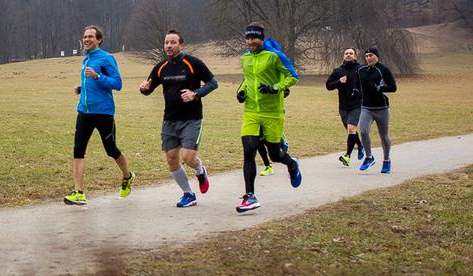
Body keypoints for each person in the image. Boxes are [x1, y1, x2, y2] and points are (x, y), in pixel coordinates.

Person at [138, 29, 218, 208]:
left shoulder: (193, 63)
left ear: (181, 45)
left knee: (188, 157)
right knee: (172, 157)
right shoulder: (160, 67)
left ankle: (200, 170)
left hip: (192, 118)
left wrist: (195, 94)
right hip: (169, 119)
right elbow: (148, 89)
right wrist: (143, 88)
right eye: (166, 42)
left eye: (173, 42)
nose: (169, 46)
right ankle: (188, 194)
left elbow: (213, 83)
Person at [63, 25, 135, 205]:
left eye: (90, 37)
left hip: (103, 113)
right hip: (84, 112)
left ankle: (127, 176)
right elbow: (91, 83)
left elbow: (117, 84)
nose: (86, 39)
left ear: (99, 39)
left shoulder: (106, 58)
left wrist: (97, 77)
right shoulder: (86, 59)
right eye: (85, 36)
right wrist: (82, 88)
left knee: (111, 150)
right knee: (78, 150)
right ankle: (79, 192)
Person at [235, 23, 302, 213]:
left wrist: (275, 88)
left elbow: (293, 76)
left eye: (254, 38)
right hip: (251, 112)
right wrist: (240, 92)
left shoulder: (274, 56)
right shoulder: (245, 58)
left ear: (261, 38)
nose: (250, 42)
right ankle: (250, 196)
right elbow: (247, 79)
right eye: (247, 38)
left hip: (272, 113)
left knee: (275, 154)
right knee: (249, 151)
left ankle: (291, 163)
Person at [356, 46, 397, 173]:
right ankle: (369, 157)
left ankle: (386, 160)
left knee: (384, 136)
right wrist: (355, 91)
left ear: (377, 56)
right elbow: (357, 84)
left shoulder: (383, 70)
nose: (368, 58)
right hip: (366, 107)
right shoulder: (361, 70)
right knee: (363, 131)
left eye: (371, 55)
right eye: (367, 56)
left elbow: (393, 87)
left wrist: (380, 88)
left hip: (381, 108)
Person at [325, 48, 365, 165]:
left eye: (351, 53)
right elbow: (328, 85)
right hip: (343, 106)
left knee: (351, 129)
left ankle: (347, 156)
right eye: (346, 53)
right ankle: (360, 145)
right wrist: (339, 81)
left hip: (357, 104)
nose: (348, 55)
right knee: (350, 130)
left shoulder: (360, 69)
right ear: (343, 56)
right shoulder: (338, 71)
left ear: (355, 56)